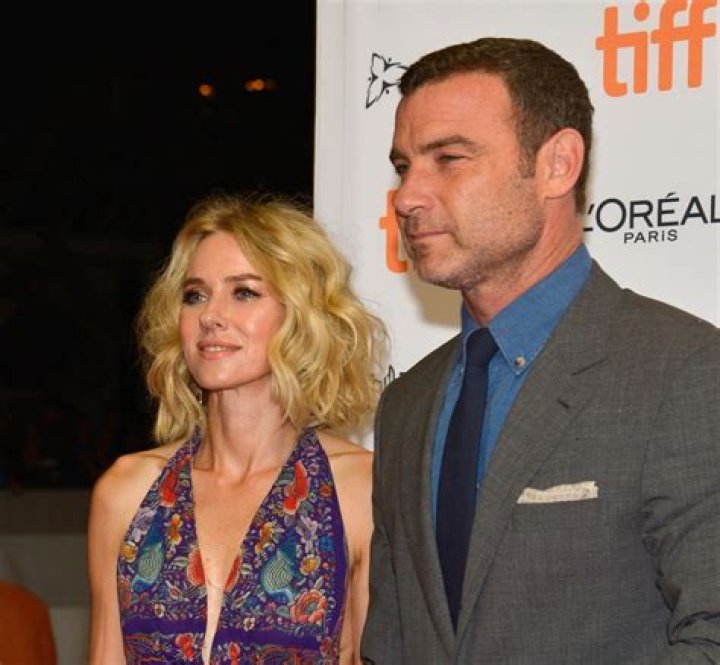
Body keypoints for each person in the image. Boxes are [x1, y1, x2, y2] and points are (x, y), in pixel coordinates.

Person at [361, 36, 720, 664]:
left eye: (449, 158)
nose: (408, 196)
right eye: (403, 166)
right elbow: (389, 647)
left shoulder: (684, 373)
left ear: (558, 164)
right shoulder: (407, 404)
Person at [87, 192, 387, 664]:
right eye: (195, 295)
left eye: (244, 292)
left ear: (301, 314)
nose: (210, 316)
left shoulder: (359, 489)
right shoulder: (126, 491)